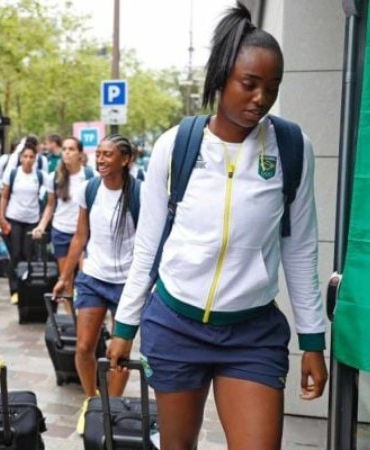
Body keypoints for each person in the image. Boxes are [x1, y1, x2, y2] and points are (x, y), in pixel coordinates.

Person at [108, 4, 328, 449]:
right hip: (175, 324)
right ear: (222, 77)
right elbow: (147, 247)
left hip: (252, 333)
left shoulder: (290, 147)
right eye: (249, 84)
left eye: (272, 87)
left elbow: (300, 249)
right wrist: (124, 326)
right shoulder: (177, 146)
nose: (260, 98)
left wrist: (312, 338)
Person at [51, 134, 142, 434]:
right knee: (84, 346)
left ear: (125, 159)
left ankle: (111, 408)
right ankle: (93, 402)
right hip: (93, 278)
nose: (101, 160)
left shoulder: (140, 193)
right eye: (99, 154)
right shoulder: (89, 189)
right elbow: (81, 236)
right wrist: (66, 278)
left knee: (119, 353)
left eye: (108, 154)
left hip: (128, 284)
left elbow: (149, 241)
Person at [33, 137, 93, 312]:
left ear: (80, 154)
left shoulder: (90, 176)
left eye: (71, 149)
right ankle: (70, 316)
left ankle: (85, 313)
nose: (66, 152)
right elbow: (50, 205)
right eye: (65, 149)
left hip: (84, 234)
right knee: (65, 279)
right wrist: (41, 226)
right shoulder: (54, 177)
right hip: (61, 231)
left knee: (85, 276)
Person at [0, 142, 44, 304]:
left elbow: (45, 198)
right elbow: (4, 196)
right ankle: (14, 290)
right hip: (14, 219)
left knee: (28, 255)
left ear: (35, 159)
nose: (28, 159)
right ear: (20, 158)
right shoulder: (12, 174)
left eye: (31, 157)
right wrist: (2, 218)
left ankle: (28, 289)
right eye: (25, 156)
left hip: (32, 220)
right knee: (15, 254)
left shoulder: (39, 176)